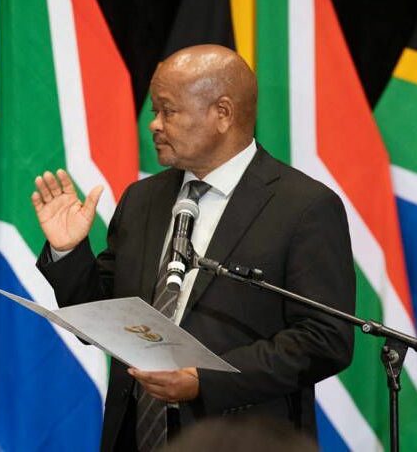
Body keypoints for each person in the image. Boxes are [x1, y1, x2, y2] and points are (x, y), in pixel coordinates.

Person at [32, 45, 355, 451]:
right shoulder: (142, 199)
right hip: (135, 435)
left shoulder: (303, 207)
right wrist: (69, 251)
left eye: (168, 111)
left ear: (222, 113)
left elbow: (324, 340)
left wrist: (205, 381)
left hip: (241, 438)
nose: (154, 124)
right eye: (154, 111)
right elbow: (105, 319)